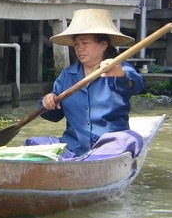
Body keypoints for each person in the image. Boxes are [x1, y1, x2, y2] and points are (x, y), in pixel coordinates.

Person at [30, 8, 144, 159]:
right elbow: (54, 115)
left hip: (110, 145)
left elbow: (136, 85)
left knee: (130, 139)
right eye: (76, 44)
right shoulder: (67, 75)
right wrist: (47, 102)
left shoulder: (118, 68)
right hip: (74, 146)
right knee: (33, 144)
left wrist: (121, 75)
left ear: (103, 45)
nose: (79, 48)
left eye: (85, 43)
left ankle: (93, 160)